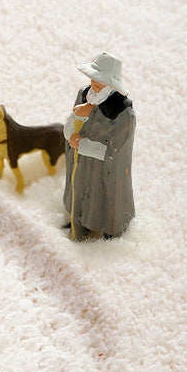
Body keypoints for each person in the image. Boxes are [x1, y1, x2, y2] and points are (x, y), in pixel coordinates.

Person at [63, 53, 135, 241]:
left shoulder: (123, 113)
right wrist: (76, 118)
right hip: (81, 166)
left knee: (101, 200)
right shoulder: (84, 95)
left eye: (100, 79)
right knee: (78, 192)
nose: (94, 82)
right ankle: (75, 221)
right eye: (93, 77)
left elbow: (115, 151)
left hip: (102, 171)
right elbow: (70, 128)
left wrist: (82, 144)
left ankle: (108, 230)